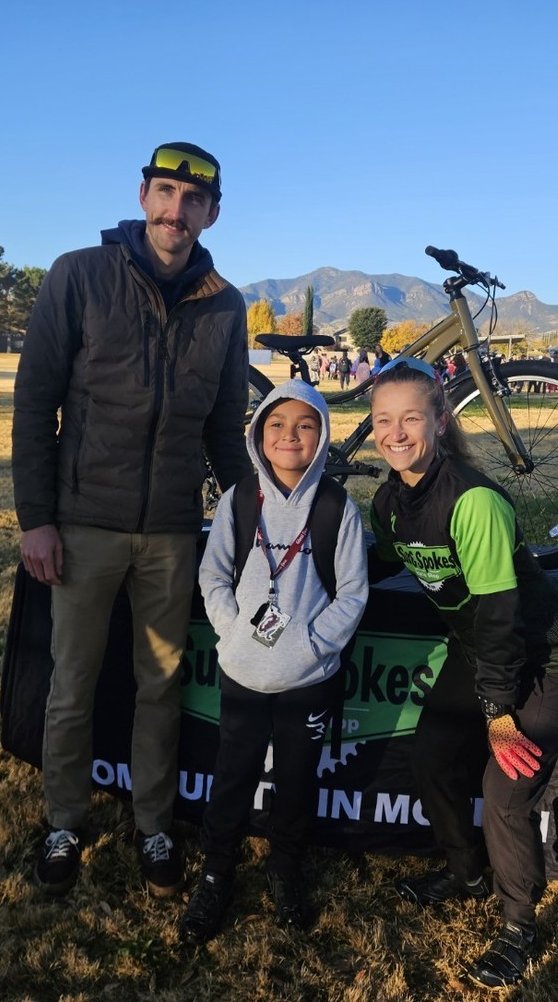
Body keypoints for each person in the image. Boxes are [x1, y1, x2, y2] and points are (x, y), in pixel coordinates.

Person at [12, 141, 251, 898]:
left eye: (194, 200)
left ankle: (153, 828)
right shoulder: (77, 275)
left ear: (213, 213)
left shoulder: (226, 304)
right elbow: (34, 403)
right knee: (72, 683)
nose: (176, 211)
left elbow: (223, 429)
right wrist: (36, 519)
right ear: (143, 193)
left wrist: (253, 520)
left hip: (175, 533)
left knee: (162, 685)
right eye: (166, 192)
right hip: (84, 522)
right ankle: (63, 821)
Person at [367, 358, 558, 992]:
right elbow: (377, 562)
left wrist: (498, 715)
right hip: (485, 659)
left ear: (440, 422)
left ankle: (518, 926)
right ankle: (465, 875)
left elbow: (500, 617)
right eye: (382, 420)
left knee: (505, 791)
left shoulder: (474, 501)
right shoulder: (388, 499)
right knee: (430, 757)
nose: (395, 433)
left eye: (410, 418)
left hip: (553, 662)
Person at [181, 381, 368, 942]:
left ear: (323, 436)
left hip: (308, 680)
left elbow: (354, 593)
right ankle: (217, 870)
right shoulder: (239, 499)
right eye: (277, 424)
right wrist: (235, 631)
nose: (290, 436)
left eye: (305, 426)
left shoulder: (338, 508)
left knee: (295, 780)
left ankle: (285, 867)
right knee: (232, 775)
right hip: (243, 673)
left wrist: (313, 646)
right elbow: (212, 574)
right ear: (258, 434)